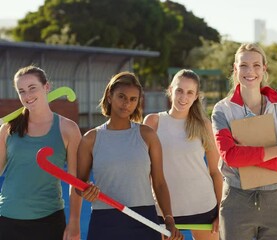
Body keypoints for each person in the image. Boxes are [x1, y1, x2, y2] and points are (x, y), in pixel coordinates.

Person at [211, 43, 277, 240]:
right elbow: (230, 156)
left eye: (256, 65)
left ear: (264, 68)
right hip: (237, 200)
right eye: (243, 65)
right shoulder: (222, 110)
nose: (250, 71)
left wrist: (246, 155)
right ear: (235, 69)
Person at [76, 72, 182, 240]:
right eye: (122, 97)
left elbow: (159, 182)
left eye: (133, 99)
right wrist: (86, 191)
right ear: (110, 96)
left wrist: (169, 219)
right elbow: (79, 184)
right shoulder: (90, 139)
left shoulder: (147, 135)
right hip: (105, 220)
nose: (127, 104)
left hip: (144, 219)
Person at [0, 65, 82, 240]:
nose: (27, 96)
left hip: (49, 221)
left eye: (32, 88)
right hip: (7, 219)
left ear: (46, 87)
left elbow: (76, 180)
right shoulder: (7, 129)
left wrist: (74, 221)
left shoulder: (68, 128)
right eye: (21, 91)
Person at [143, 69, 222, 240]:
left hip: (203, 206)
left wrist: (220, 212)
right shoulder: (153, 122)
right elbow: (145, 171)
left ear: (196, 96)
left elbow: (215, 172)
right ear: (170, 90)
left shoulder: (204, 125)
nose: (183, 97)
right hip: (164, 211)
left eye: (189, 92)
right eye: (179, 90)